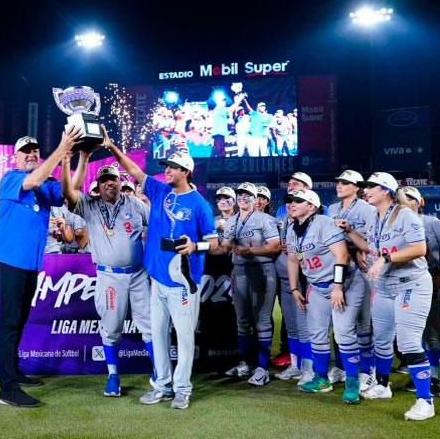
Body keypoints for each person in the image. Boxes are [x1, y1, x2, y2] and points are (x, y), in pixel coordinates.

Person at [106, 129, 217, 410]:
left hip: (183, 282)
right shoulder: (159, 190)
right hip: (157, 280)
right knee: (157, 335)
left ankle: (182, 389)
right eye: (166, 167)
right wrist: (112, 147)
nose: (166, 170)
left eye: (171, 167)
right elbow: (135, 171)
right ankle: (162, 385)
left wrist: (196, 246)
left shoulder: (200, 204)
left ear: (186, 171)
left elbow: (216, 243)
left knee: (184, 337)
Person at [0, 129, 82, 408]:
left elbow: (70, 191)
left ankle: (14, 372)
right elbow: (33, 179)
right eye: (26, 151)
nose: (31, 154)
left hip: (30, 264)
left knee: (18, 320)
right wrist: (61, 147)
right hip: (8, 262)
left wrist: (77, 157)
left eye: (35, 151)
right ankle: (6, 388)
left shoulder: (44, 186)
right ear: (15, 157)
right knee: (9, 322)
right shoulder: (11, 179)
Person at [344, 172, 435, 420]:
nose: (366, 190)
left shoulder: (405, 214)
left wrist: (385, 258)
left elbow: (419, 249)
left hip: (411, 285)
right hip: (384, 286)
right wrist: (350, 232)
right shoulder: (375, 216)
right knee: (382, 340)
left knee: (408, 343)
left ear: (386, 190)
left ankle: (425, 401)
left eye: (371, 186)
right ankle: (383, 385)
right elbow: (370, 247)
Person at [62, 157, 153, 397]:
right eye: (103, 180)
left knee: (151, 326)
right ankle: (113, 376)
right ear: (98, 185)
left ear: (120, 181)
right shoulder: (89, 206)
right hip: (109, 277)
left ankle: (160, 373)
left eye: (113, 178)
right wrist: (82, 158)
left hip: (138, 275)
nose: (109, 183)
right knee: (111, 328)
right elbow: (70, 191)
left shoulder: (135, 204)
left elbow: (156, 226)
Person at [283, 189, 364, 403]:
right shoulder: (292, 228)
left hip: (345, 284)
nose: (292, 204)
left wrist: (337, 286)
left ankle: (353, 382)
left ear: (311, 207)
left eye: (298, 201)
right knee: (317, 335)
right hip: (316, 286)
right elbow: (292, 259)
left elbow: (342, 254)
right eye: (291, 201)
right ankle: (321, 379)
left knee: (344, 334)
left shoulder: (323, 223)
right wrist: (293, 288)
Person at [215, 182, 281, 386]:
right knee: (242, 320)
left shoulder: (266, 219)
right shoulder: (232, 222)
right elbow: (224, 248)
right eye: (240, 195)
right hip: (239, 271)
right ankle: (246, 363)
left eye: (248, 195)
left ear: (255, 198)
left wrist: (250, 251)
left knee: (262, 320)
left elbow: (274, 246)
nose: (243, 198)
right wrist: (197, 247)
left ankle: (262, 367)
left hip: (261, 271)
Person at [397, 186, 440, 398]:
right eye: (402, 198)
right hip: (401, 284)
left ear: (419, 202)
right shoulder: (392, 223)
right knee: (410, 334)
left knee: (431, 334)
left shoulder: (431, 222)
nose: (405, 201)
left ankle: (435, 379)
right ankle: (418, 377)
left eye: (410, 198)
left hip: (429, 282)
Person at [327, 170, 377, 389]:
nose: (339, 185)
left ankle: (368, 371)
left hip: (363, 270)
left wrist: (356, 247)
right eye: (338, 182)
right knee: (340, 323)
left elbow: (372, 241)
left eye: (345, 183)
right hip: (339, 268)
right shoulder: (332, 208)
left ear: (357, 187)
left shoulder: (368, 209)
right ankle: (340, 367)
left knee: (363, 324)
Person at [274, 172, 315, 383]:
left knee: (306, 325)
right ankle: (296, 365)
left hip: (308, 279)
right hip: (287, 279)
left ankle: (310, 369)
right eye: (289, 184)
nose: (290, 187)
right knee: (291, 324)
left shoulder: (318, 219)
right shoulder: (283, 218)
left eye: (296, 184)